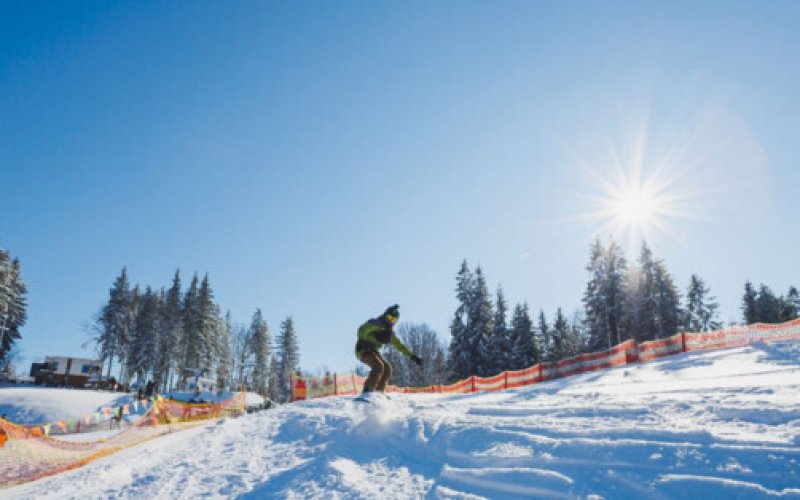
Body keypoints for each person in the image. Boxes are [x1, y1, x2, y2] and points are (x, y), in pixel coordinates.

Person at [355, 304, 422, 395]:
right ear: (385, 315)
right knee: (378, 366)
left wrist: (412, 356)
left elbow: (399, 345)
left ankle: (378, 392)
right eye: (389, 317)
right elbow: (361, 330)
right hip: (363, 349)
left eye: (393, 319)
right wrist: (366, 338)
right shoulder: (377, 323)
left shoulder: (389, 333)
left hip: (374, 351)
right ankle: (367, 391)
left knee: (387, 369)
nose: (390, 321)